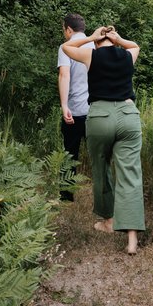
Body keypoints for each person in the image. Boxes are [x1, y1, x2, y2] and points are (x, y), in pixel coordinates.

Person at [62, 25, 144, 255]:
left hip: (99, 117)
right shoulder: (127, 55)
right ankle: (132, 240)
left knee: (100, 168)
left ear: (98, 41)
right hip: (128, 116)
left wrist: (90, 37)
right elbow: (136, 45)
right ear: (114, 41)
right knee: (130, 173)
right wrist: (119, 39)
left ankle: (108, 221)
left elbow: (66, 46)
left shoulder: (91, 54)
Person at [58, 13, 92, 201]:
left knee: (70, 154)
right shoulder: (94, 45)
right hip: (94, 110)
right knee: (99, 156)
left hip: (75, 110)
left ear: (69, 29)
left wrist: (64, 105)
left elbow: (64, 75)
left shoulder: (67, 47)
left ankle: (66, 196)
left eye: (64, 29)